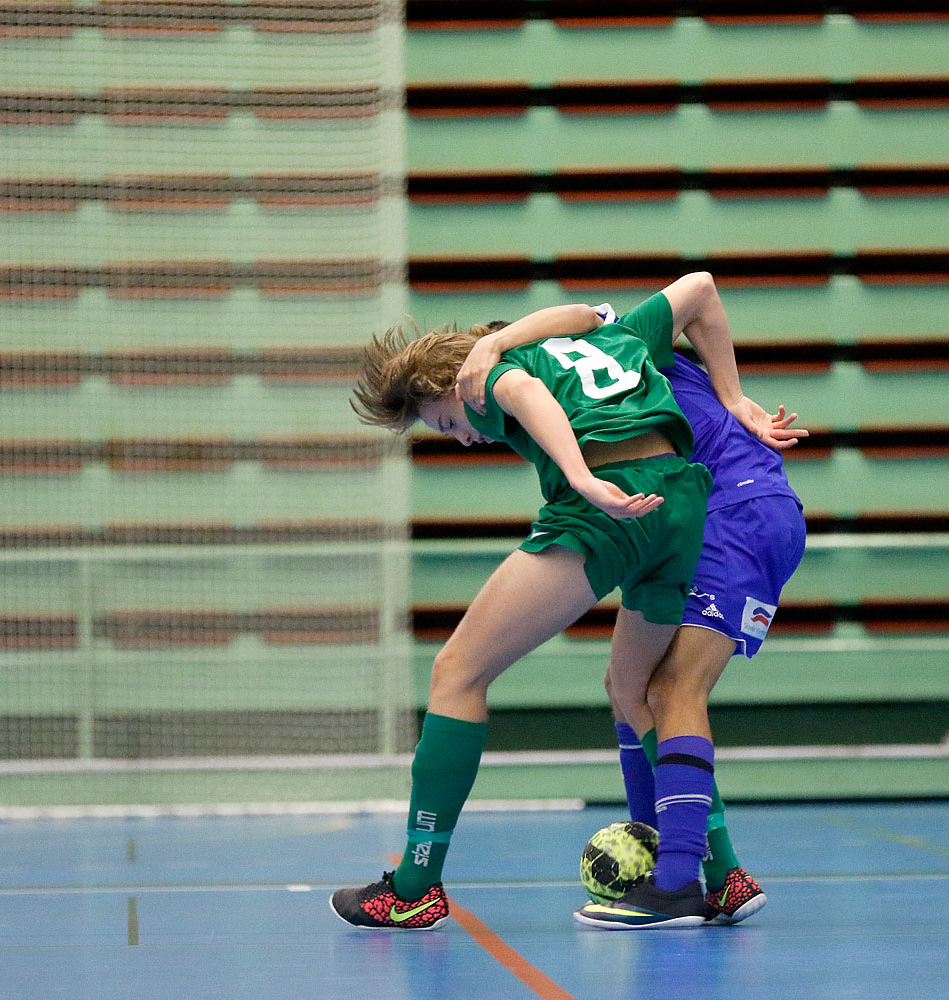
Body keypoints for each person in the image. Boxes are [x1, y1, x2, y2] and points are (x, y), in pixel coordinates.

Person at [333, 273, 768, 929]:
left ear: (449, 385)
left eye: (447, 423)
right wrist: (733, 397)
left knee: (458, 672)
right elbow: (688, 291)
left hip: (610, 505)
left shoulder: (485, 374)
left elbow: (521, 391)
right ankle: (720, 871)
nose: (462, 435)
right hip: (681, 505)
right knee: (635, 685)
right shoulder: (604, 336)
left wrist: (581, 476)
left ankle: (415, 886)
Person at [455, 283, 807, 928]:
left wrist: (732, 400)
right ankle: (670, 856)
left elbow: (692, 289)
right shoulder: (607, 350)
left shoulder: (600, 348)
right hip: (730, 511)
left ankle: (679, 881)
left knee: (674, 688)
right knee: (628, 684)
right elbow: (595, 307)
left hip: (737, 511)